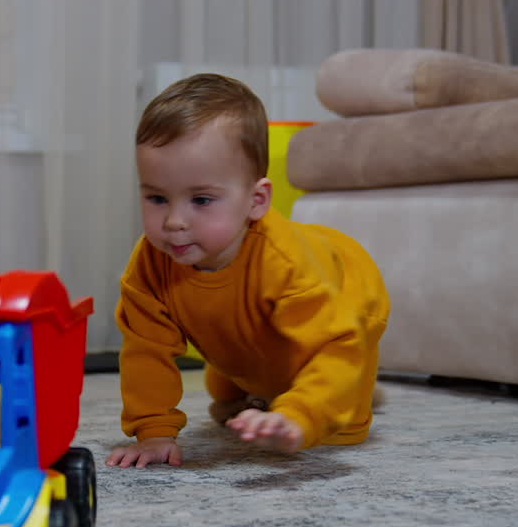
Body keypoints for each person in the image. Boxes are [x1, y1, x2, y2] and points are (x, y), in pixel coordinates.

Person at [106, 73, 390, 469]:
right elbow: (146, 351)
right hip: (249, 326)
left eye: (201, 199)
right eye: (157, 197)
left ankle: (346, 392)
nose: (174, 222)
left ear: (256, 201)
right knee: (235, 387)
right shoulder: (150, 262)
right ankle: (263, 394)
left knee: (338, 421)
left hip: (349, 294)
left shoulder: (287, 263)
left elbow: (333, 347)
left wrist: (299, 415)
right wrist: (154, 432)